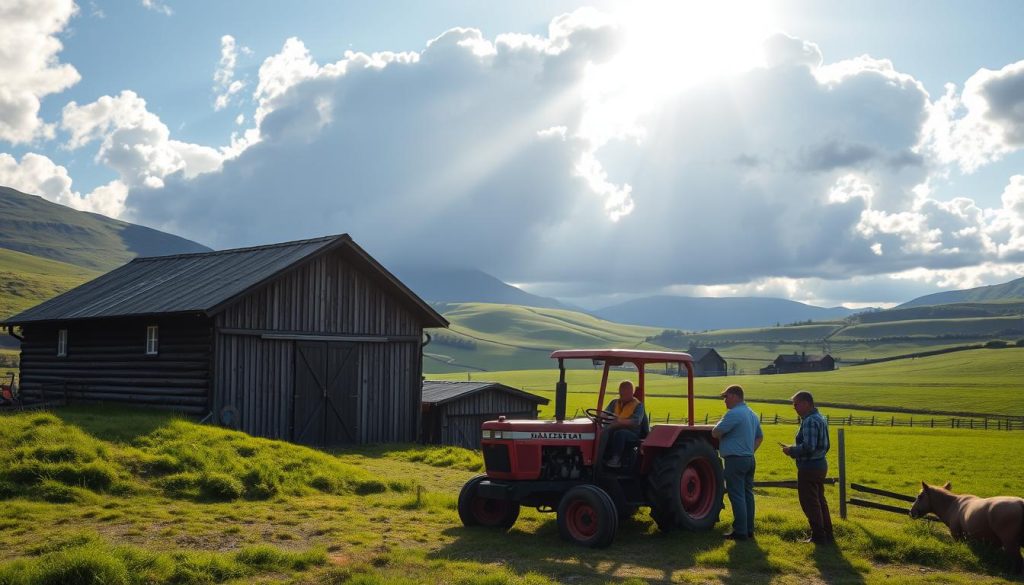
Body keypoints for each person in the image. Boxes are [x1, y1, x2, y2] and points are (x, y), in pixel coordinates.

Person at [711, 384, 763, 540]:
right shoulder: (752, 414)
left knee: (737, 495)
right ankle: (749, 529)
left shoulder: (734, 414)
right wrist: (749, 451)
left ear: (734, 396)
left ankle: (740, 531)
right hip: (749, 459)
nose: (724, 401)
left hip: (735, 460)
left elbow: (715, 432)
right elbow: (760, 437)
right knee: (748, 494)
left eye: (726, 397)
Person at [781, 390, 834, 544]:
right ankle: (827, 534)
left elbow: (809, 447)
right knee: (819, 500)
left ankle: (818, 536)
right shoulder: (821, 418)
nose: (794, 408)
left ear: (806, 403)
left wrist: (791, 450)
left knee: (809, 502)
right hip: (820, 464)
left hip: (809, 467)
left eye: (796, 404)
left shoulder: (810, 421)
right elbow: (825, 445)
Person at [602, 380, 645, 467]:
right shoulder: (614, 402)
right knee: (603, 432)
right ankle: (602, 457)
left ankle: (616, 459)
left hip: (633, 433)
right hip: (614, 428)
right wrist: (603, 416)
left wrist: (618, 421)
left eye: (625, 394)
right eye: (621, 394)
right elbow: (604, 413)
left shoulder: (638, 406)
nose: (622, 396)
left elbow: (636, 422)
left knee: (620, 433)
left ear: (631, 393)